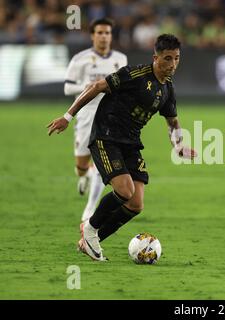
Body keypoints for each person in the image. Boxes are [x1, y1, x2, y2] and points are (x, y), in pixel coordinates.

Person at [47, 34, 196, 261]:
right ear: (155, 57)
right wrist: (68, 116)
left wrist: (178, 144)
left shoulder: (167, 89)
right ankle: (89, 228)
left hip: (131, 143)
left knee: (136, 204)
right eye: (167, 58)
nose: (172, 64)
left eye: (176, 59)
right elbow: (96, 86)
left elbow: (172, 121)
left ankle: (88, 241)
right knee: (125, 191)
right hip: (107, 137)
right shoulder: (134, 75)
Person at [64, 18, 127, 223]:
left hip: (109, 115)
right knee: (82, 163)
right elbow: (68, 88)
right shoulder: (80, 59)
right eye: (100, 33)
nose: (104, 36)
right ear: (93, 35)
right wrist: (88, 85)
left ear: (111, 35)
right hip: (85, 113)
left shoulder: (120, 59)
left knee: (103, 162)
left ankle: (90, 207)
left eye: (107, 33)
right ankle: (83, 175)